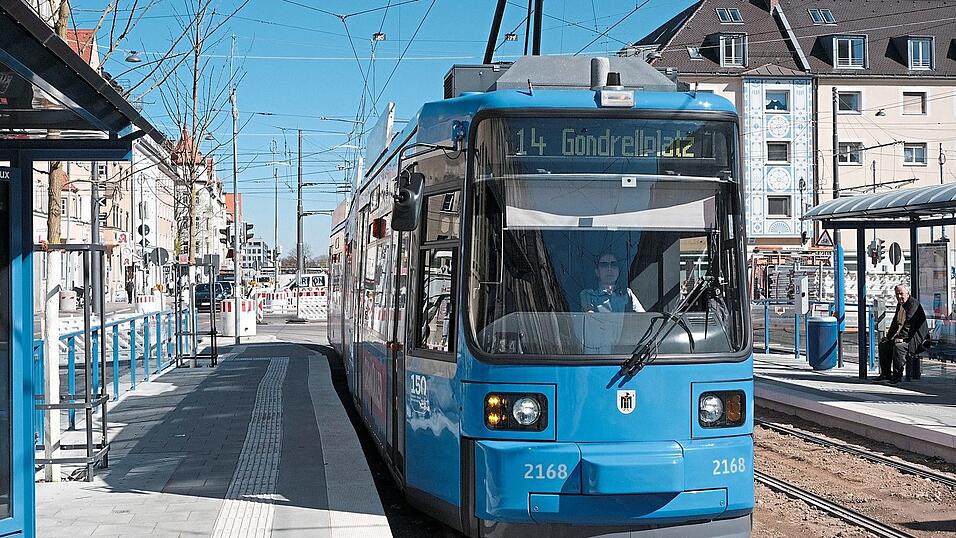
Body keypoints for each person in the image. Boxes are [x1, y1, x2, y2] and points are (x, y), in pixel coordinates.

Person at [877, 285, 929, 384]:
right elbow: (895, 322)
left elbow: (909, 323)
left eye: (901, 294)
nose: (899, 296)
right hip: (906, 337)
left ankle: (897, 377)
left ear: (908, 294)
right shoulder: (900, 304)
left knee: (899, 347)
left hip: (917, 339)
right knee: (884, 345)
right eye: (897, 294)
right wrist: (888, 337)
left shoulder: (913, 304)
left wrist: (901, 337)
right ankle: (886, 374)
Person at [580, 253, 645, 313]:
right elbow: (589, 317)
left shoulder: (627, 294)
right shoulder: (588, 295)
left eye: (613, 265)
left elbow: (643, 316)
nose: (609, 269)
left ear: (618, 271)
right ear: (597, 272)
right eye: (604, 265)